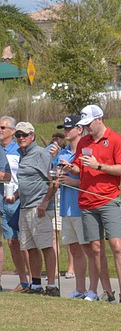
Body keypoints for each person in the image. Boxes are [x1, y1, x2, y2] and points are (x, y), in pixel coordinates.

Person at [62, 104, 121, 304]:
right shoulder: (84, 140)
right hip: (86, 201)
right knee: (95, 248)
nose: (86, 128)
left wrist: (99, 166)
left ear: (99, 119)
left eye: (88, 124)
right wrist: (71, 167)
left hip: (109, 199)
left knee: (116, 245)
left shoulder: (115, 139)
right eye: (83, 125)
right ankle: (107, 292)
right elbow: (79, 168)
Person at [11, 122, 58, 296]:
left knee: (45, 246)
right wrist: (15, 196)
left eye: (24, 135)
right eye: (18, 135)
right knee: (30, 247)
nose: (21, 138)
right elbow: (26, 181)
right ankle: (36, 284)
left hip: (39, 206)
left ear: (33, 136)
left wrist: (45, 203)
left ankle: (52, 285)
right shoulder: (22, 154)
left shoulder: (40, 153)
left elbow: (53, 181)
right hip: (25, 206)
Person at [51, 115, 89, 299]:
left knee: (88, 249)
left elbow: (93, 180)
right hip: (66, 207)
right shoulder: (63, 153)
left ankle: (95, 289)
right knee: (74, 249)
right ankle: (79, 289)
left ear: (80, 129)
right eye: (64, 128)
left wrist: (74, 181)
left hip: (82, 207)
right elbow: (53, 175)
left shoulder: (86, 152)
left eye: (70, 128)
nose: (66, 131)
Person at [0, 115, 31, 293]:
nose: (0, 130)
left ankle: (34, 280)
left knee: (24, 242)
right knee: (11, 242)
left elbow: (12, 175)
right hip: (3, 201)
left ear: (12, 131)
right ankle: (24, 281)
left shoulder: (19, 149)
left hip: (19, 200)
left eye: (3, 128)